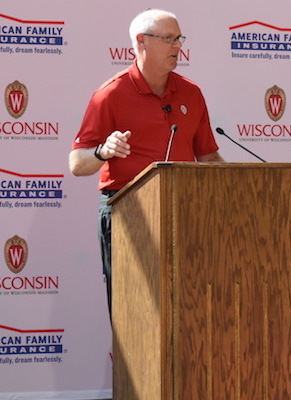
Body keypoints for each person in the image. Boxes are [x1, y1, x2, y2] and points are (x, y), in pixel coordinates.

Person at [69, 9, 223, 312]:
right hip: (129, 215)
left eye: (179, 38)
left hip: (184, 213)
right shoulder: (110, 94)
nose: (178, 46)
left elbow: (207, 156)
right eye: (168, 39)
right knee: (135, 312)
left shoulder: (191, 93)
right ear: (142, 42)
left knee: (185, 309)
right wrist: (103, 151)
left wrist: (241, 187)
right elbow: (77, 163)